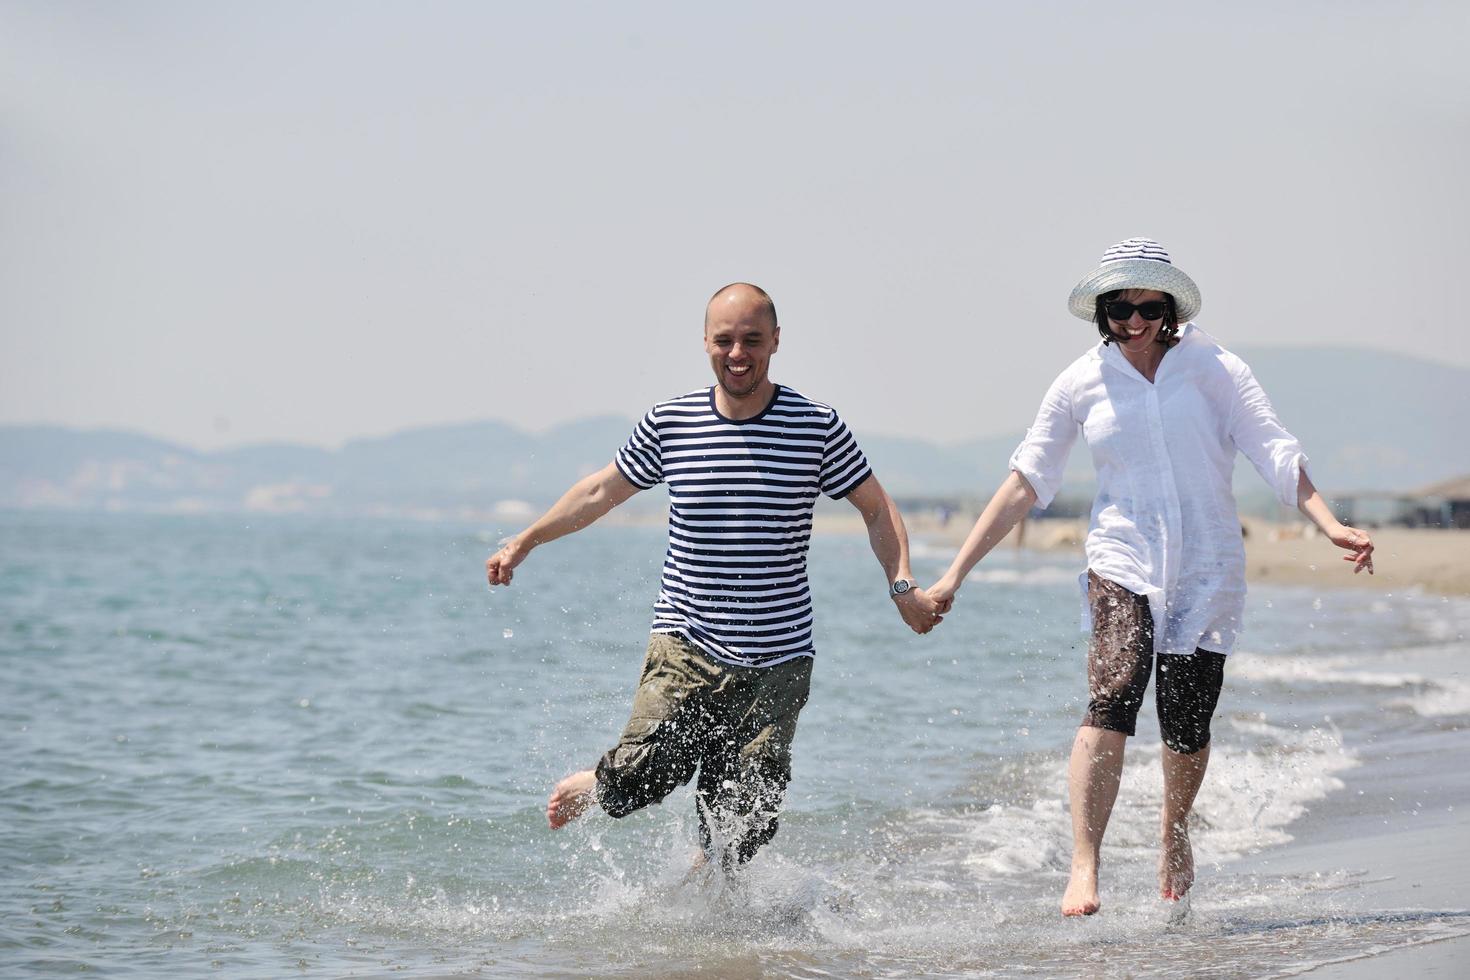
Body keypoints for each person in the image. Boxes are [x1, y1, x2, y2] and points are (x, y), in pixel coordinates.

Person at [925, 239, 1375, 916]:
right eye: (1118, 309)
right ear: (1101, 312)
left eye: (1146, 307)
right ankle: (1085, 863)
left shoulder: (1215, 367)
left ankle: (1174, 831)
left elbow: (1273, 449)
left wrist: (1331, 523)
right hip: (1122, 557)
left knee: (1186, 721)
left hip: (1207, 564)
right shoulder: (1079, 382)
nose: (1132, 322)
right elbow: (1025, 482)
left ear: (1169, 308)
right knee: (1115, 688)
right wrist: (954, 573)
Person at [486, 282, 945, 872]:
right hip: (687, 642)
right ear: (705, 342)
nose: (738, 354)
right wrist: (526, 540)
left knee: (743, 827)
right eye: (724, 340)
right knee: (641, 774)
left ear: (775, 341)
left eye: (752, 340)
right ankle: (597, 783)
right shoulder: (672, 423)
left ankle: (707, 913)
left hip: (778, 661)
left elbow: (877, 507)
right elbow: (601, 490)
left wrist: (901, 585)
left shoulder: (816, 426)